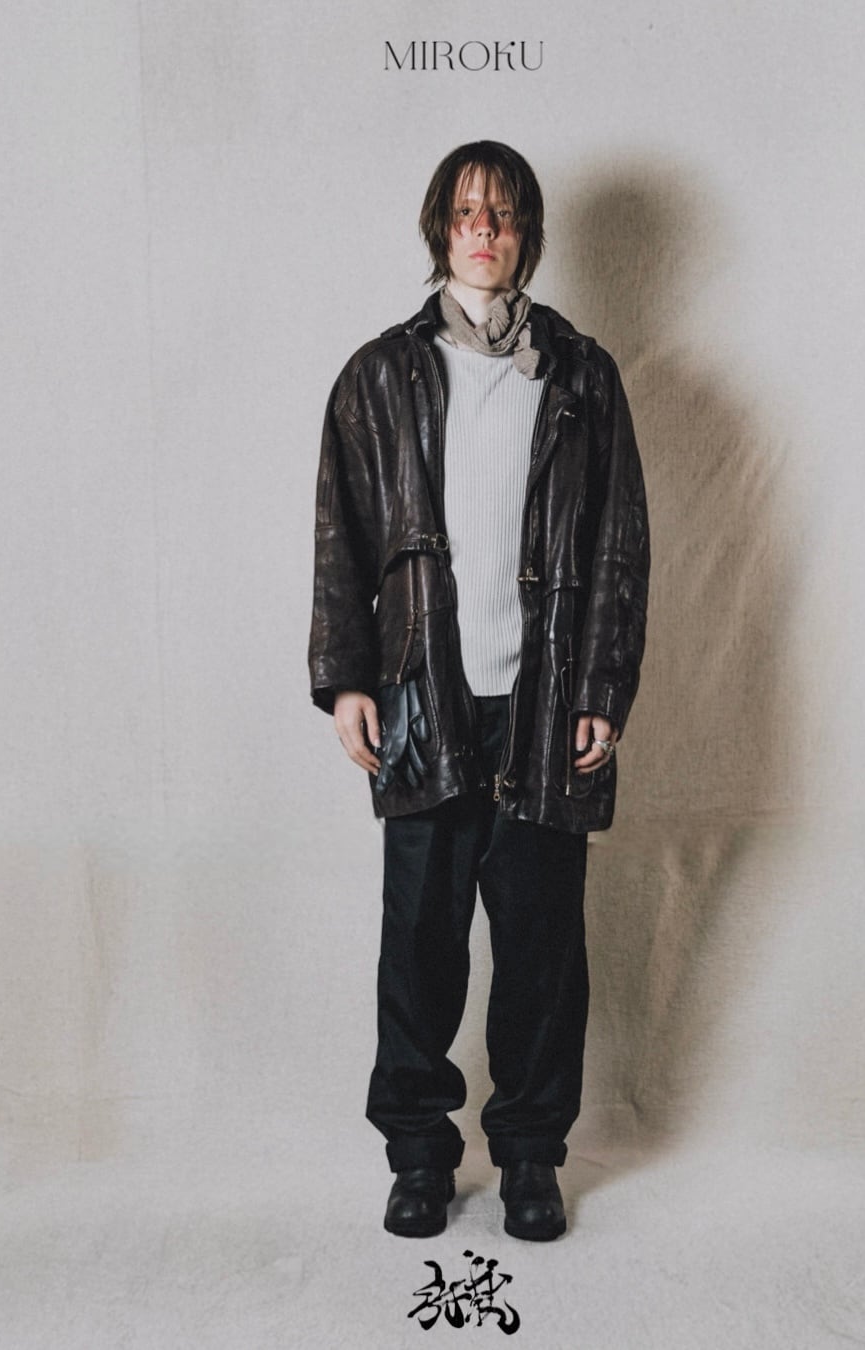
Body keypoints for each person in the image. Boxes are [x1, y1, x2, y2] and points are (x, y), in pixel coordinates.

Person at [308, 141, 649, 1241]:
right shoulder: (380, 376)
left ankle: (533, 1158)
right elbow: (340, 537)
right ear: (439, 231)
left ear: (526, 234)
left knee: (542, 949)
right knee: (419, 943)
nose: (483, 232)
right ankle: (418, 1158)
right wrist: (346, 682)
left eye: (501, 215)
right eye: (465, 214)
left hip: (543, 706)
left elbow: (618, 546)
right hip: (424, 698)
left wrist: (602, 689)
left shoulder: (582, 377)